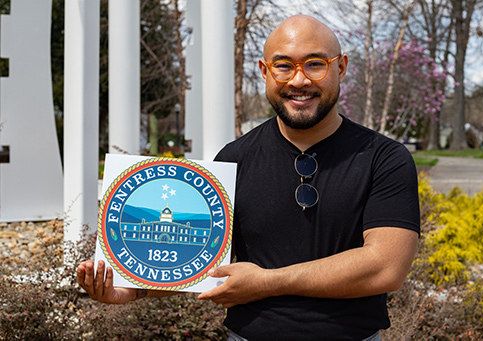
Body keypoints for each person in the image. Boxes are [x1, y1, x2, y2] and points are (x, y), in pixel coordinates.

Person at [77, 14, 420, 341]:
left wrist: (268, 282)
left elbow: (385, 267)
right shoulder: (233, 161)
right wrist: (129, 287)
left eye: (315, 64)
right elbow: (196, 260)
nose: (299, 80)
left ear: (341, 67)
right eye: (283, 66)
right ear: (264, 71)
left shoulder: (384, 158)